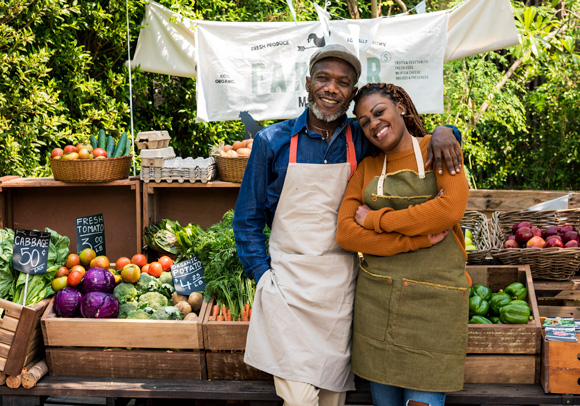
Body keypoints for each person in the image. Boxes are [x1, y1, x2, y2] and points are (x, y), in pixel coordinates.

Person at [232, 44, 461, 406]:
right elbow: (246, 220)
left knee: (331, 400)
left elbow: (404, 136)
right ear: (308, 83)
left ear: (351, 93)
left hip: (340, 291)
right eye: (323, 78)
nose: (331, 88)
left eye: (342, 82)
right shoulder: (271, 142)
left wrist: (447, 131)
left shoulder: (363, 137)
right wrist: (263, 276)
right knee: (301, 400)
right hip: (287, 289)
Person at [336, 82, 470, 406]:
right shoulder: (367, 168)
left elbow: (449, 210)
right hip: (378, 304)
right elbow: (344, 233)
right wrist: (414, 240)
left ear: (402, 107)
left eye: (379, 112)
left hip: (433, 307)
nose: (373, 125)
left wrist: (374, 221)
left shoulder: (438, 150)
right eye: (365, 121)